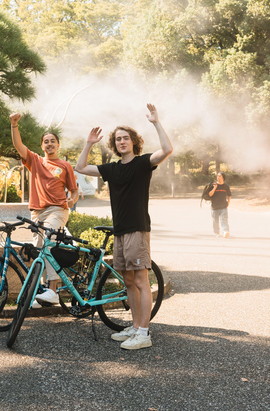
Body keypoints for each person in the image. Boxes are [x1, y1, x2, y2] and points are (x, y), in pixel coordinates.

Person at [75, 103, 173, 350]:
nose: (121, 142)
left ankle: (144, 332)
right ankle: (134, 325)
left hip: (137, 229)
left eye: (125, 138)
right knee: (127, 282)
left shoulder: (143, 163)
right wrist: (88, 144)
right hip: (119, 231)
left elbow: (167, 149)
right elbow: (80, 168)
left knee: (141, 281)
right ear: (114, 144)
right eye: (118, 139)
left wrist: (155, 122)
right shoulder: (112, 169)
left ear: (133, 142)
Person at [10, 112, 79, 307]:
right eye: (46, 142)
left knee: (49, 244)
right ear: (42, 146)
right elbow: (18, 146)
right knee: (38, 250)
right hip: (37, 213)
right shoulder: (36, 161)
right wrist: (14, 125)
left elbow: (73, 192)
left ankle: (53, 291)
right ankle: (41, 293)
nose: (49, 144)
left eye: (53, 141)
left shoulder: (65, 166)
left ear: (58, 145)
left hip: (57, 210)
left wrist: (72, 200)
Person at [208, 172, 231, 238]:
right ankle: (217, 232)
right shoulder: (213, 185)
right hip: (214, 207)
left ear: (223, 177)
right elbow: (210, 194)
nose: (218, 177)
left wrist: (228, 203)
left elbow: (229, 196)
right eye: (217, 176)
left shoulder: (226, 186)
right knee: (215, 221)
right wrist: (214, 188)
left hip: (223, 206)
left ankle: (225, 231)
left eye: (219, 176)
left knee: (224, 219)